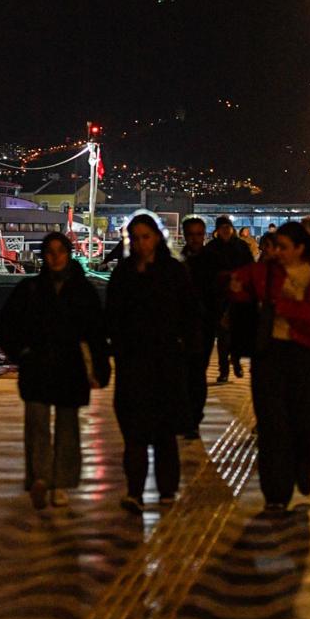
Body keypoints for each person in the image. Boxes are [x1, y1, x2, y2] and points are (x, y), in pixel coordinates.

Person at [229, 221, 310, 512]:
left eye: (283, 247)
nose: (277, 252)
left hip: (302, 355)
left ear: (300, 249)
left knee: (302, 422)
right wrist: (236, 288)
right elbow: (236, 284)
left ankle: (302, 466)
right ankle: (275, 493)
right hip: (269, 354)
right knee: (272, 425)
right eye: (275, 247)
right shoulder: (265, 271)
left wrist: (287, 308)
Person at [0, 232, 108, 510]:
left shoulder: (83, 291)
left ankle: (60, 483)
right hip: (37, 365)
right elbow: (7, 326)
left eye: (60, 251)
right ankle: (41, 479)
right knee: (37, 424)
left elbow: (96, 332)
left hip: (70, 366)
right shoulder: (29, 289)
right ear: (44, 256)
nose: (55, 257)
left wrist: (100, 367)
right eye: (50, 252)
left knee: (68, 426)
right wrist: (20, 353)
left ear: (69, 254)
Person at [106, 214, 201, 513]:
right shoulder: (123, 273)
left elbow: (189, 314)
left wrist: (188, 352)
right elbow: (112, 316)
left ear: (157, 238)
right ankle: (134, 490)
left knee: (164, 431)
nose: (140, 243)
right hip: (133, 361)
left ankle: (167, 489)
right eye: (135, 238)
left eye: (145, 236)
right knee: (133, 431)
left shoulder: (173, 272)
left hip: (165, 361)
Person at [184, 216, 254, 401]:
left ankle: (236, 360)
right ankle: (224, 369)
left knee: (234, 335)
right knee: (222, 338)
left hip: (234, 300)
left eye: (227, 227)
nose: (225, 231)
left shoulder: (240, 247)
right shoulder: (209, 251)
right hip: (213, 306)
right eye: (221, 228)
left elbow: (249, 270)